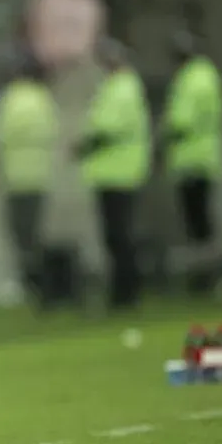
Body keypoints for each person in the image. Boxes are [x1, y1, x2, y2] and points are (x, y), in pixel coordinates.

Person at [74, 38, 150, 309]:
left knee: (120, 236)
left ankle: (126, 293)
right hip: (110, 172)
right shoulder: (115, 85)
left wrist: (86, 144)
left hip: (120, 172)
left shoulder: (124, 87)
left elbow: (111, 127)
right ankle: (122, 291)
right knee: (115, 236)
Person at [0, 54, 59, 302]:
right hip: (39, 174)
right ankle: (41, 284)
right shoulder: (43, 98)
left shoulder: (11, 99)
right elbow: (52, 131)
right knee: (34, 232)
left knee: (21, 234)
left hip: (16, 175)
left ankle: (31, 284)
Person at [160, 30, 222, 291]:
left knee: (197, 225)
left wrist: (162, 139)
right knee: (203, 223)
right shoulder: (208, 75)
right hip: (205, 156)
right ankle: (211, 276)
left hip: (192, 157)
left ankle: (206, 278)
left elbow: (181, 121)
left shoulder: (191, 79)